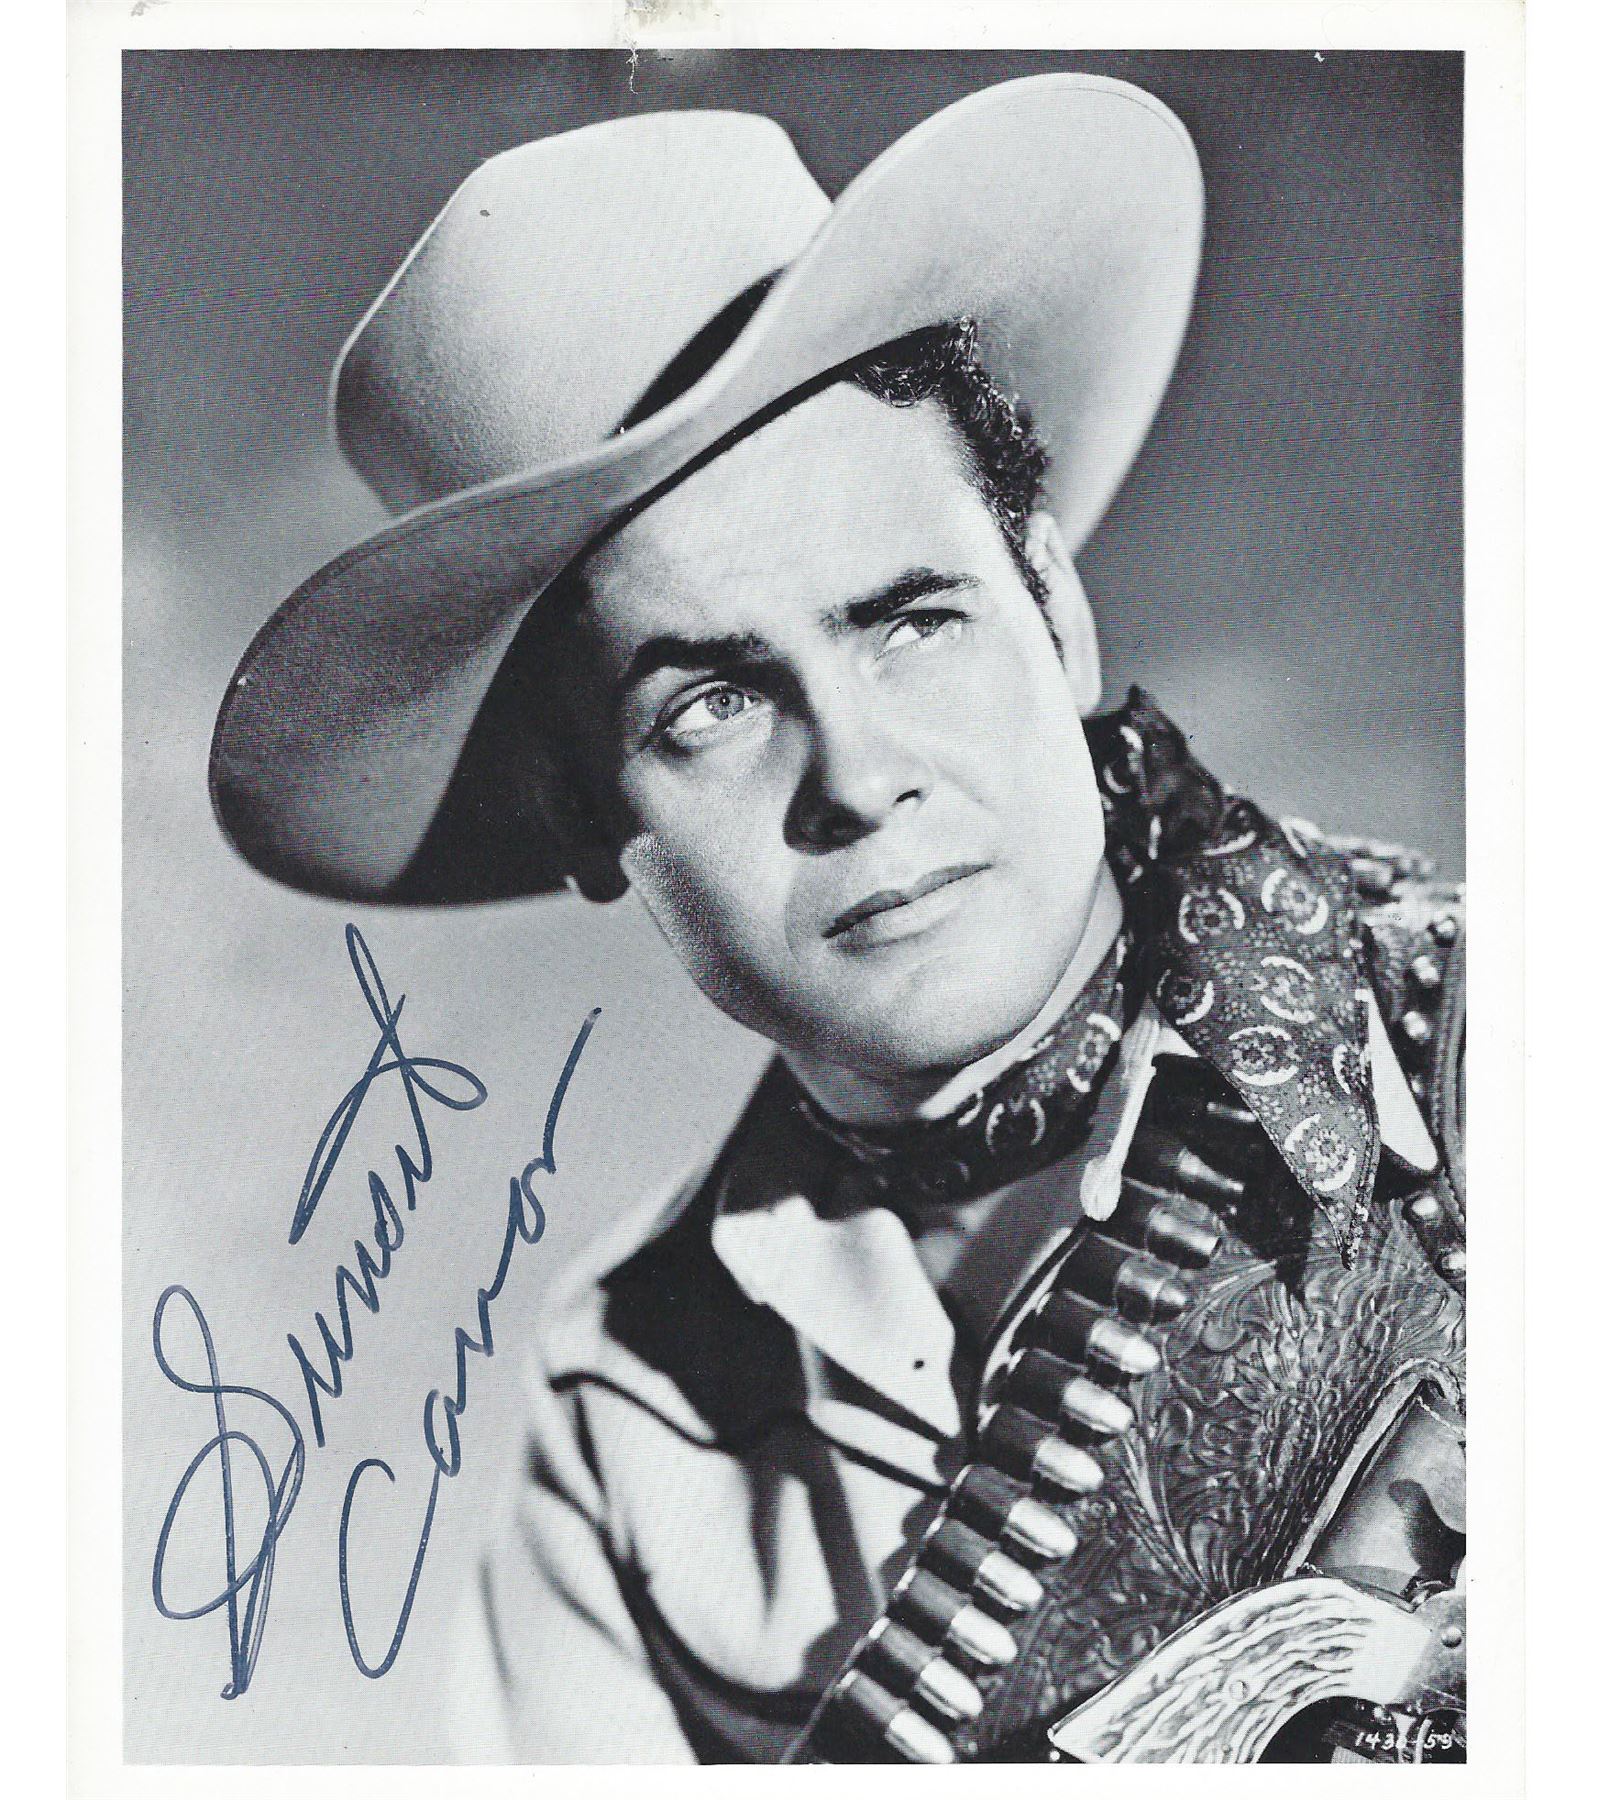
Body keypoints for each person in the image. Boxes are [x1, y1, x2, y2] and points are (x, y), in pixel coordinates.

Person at [209, 75, 1467, 1766]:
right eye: (711, 707)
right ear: (588, 818)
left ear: (1055, 613)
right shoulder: (624, 1415)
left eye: (910, 622)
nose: (861, 778)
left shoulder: (1476, 1046)